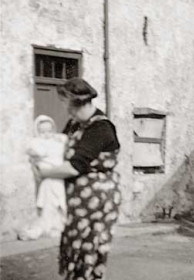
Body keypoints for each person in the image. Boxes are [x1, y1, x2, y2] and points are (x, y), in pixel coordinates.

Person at [32, 78, 121, 280]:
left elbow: (74, 166)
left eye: (64, 101)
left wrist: (43, 172)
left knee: (88, 248)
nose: (63, 107)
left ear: (75, 101)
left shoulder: (100, 128)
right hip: (76, 199)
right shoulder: (74, 125)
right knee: (74, 246)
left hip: (97, 201)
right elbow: (59, 152)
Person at [18, 115, 67, 240]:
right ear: (37, 132)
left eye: (49, 131)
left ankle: (60, 225)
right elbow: (37, 154)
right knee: (49, 203)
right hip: (49, 176)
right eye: (42, 131)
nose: (46, 134)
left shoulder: (57, 141)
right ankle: (48, 227)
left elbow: (63, 144)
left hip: (60, 174)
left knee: (61, 202)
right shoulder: (37, 143)